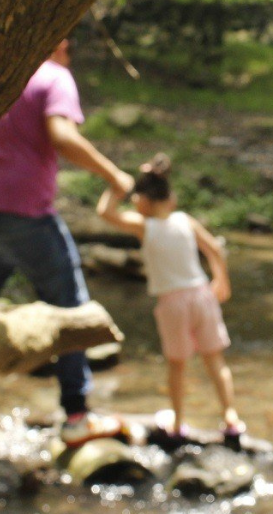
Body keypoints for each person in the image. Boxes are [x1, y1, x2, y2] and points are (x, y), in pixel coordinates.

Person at [0, 38, 136, 447]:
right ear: (60, 45)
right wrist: (113, 175)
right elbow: (62, 135)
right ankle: (76, 416)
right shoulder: (54, 76)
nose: (68, 53)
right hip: (27, 216)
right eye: (68, 47)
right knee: (71, 313)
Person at [96, 154, 245, 446]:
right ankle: (230, 417)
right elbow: (214, 248)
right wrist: (221, 279)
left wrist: (116, 187)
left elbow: (105, 212)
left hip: (173, 304)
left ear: (144, 202)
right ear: (171, 198)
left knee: (177, 366)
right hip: (202, 295)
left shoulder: (144, 226)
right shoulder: (184, 221)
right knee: (215, 361)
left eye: (136, 198)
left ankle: (177, 424)